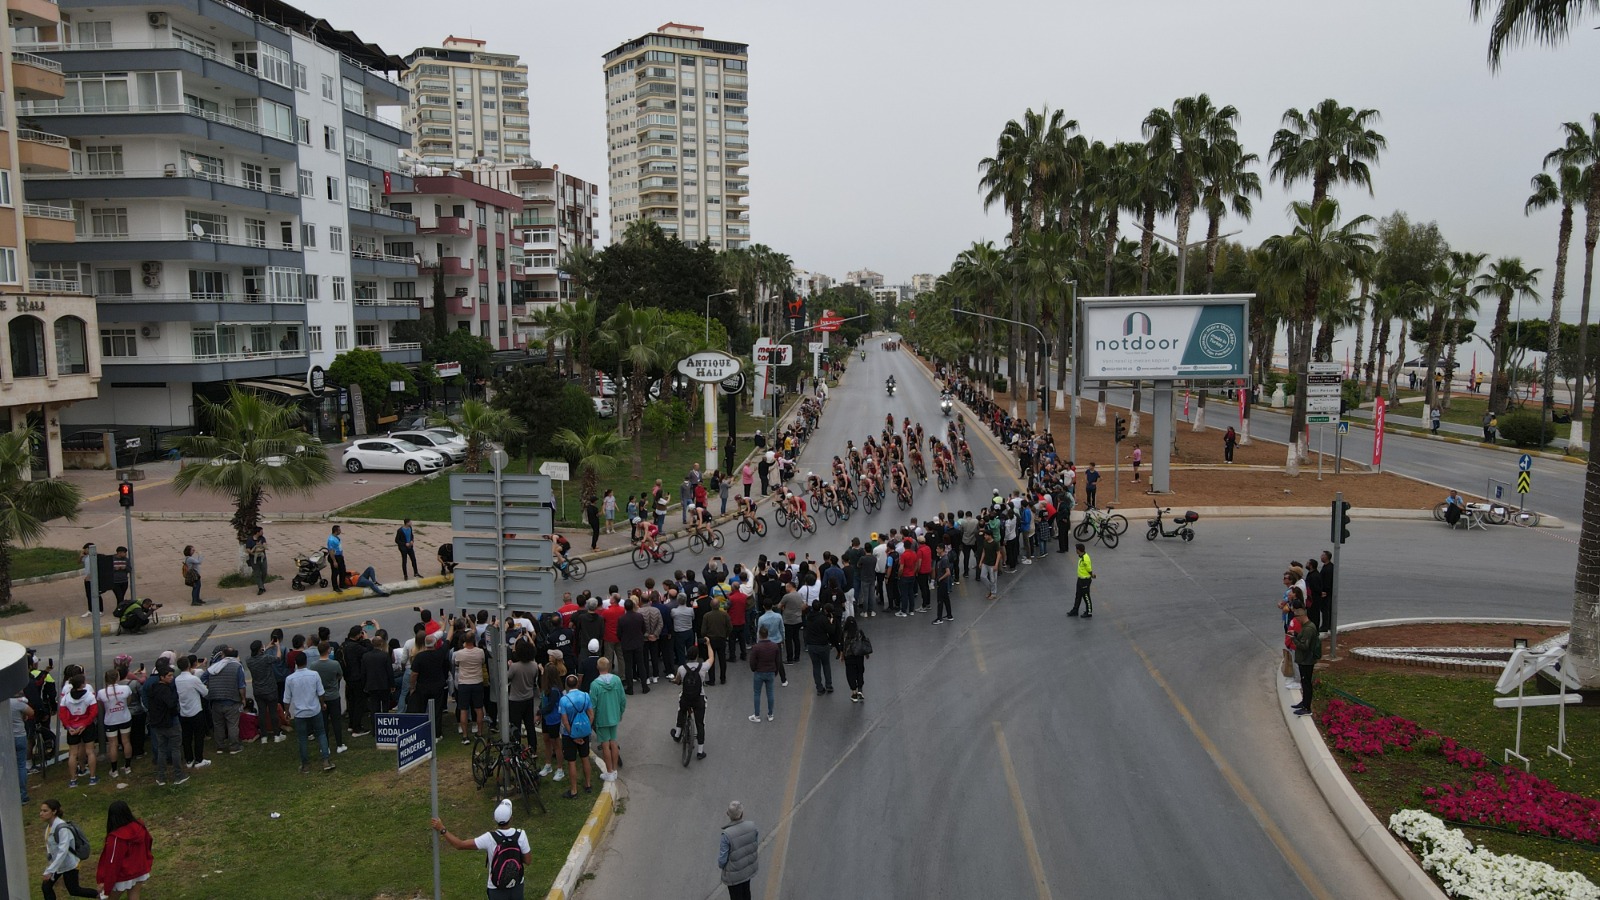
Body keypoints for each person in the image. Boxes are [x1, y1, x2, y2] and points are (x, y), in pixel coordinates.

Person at [432, 799, 532, 900]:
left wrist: (442, 829)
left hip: (496, 888)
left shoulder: (489, 838)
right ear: (511, 818)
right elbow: (528, 861)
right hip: (517, 886)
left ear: (495, 819)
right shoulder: (520, 835)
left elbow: (460, 845)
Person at [280, 653, 334, 774]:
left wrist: (287, 711)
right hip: (314, 709)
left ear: (295, 663)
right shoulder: (314, 675)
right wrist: (322, 703)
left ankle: (305, 765)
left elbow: (286, 699)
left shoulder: (290, 679)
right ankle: (326, 761)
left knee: (302, 738)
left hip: (300, 713)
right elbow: (321, 693)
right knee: (321, 733)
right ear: (306, 662)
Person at [40, 798, 99, 899]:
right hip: (58, 863)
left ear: (54, 811)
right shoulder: (49, 826)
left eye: (45, 811)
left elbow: (63, 851)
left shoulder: (62, 828)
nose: (41, 813)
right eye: (41, 810)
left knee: (74, 890)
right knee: (46, 886)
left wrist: (50, 870)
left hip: (70, 863)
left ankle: (100, 895)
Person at [95, 801, 153, 900]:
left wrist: (106, 885)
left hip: (123, 875)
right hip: (140, 869)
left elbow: (112, 863)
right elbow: (148, 842)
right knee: (134, 895)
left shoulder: (116, 838)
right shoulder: (139, 827)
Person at [672, 639, 711, 760]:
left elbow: (678, 681)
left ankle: (678, 733)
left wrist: (675, 681)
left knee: (681, 710)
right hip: (699, 699)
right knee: (700, 723)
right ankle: (700, 751)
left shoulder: (681, 668)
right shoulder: (703, 667)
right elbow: (711, 657)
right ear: (697, 656)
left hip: (686, 698)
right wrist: (708, 644)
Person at [57, 674, 98, 788]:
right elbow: (93, 712)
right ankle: (92, 777)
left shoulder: (66, 697)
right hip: (87, 726)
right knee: (90, 751)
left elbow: (62, 714)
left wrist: (68, 726)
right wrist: (84, 725)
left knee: (73, 754)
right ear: (82, 684)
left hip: (72, 727)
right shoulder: (89, 696)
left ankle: (73, 780)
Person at [145, 663, 182, 785]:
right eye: (169, 676)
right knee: (175, 748)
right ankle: (178, 775)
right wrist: (175, 710)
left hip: (157, 723)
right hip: (169, 722)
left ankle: (161, 776)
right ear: (162, 677)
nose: (171, 678)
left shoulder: (153, 688)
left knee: (162, 749)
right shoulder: (165, 690)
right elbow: (171, 705)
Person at [589, 656, 626, 781]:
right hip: (614, 716)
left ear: (597, 668)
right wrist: (620, 712)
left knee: (605, 745)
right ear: (609, 666)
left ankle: (609, 771)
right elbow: (622, 699)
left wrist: (591, 719)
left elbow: (592, 705)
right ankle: (614, 770)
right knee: (613, 742)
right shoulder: (616, 680)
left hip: (602, 718)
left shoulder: (594, 684)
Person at [557, 674, 594, 798]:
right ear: (577, 684)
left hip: (569, 735)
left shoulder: (564, 700)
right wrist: (586, 728)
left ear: (567, 685)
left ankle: (574, 791)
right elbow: (591, 715)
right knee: (585, 758)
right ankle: (588, 784)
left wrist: (573, 735)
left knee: (571, 762)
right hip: (584, 732)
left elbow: (565, 721)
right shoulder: (585, 696)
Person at [718, 801, 760, 900]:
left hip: (734, 875)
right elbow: (754, 845)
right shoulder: (752, 826)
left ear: (728, 814)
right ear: (742, 813)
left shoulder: (726, 835)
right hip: (747, 869)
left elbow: (722, 860)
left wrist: (723, 867)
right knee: (746, 892)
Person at [174, 656, 209, 770]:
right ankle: (199, 759)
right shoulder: (193, 679)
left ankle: (189, 759)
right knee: (199, 736)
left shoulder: (177, 680)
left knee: (186, 737)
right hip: (196, 711)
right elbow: (205, 692)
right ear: (189, 665)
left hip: (184, 712)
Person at [454, 630, 488, 743]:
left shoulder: (460, 653)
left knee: (463, 709)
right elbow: (482, 662)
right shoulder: (480, 652)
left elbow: (457, 663)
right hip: (477, 682)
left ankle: (465, 735)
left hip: (464, 683)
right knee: (479, 708)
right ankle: (479, 733)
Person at [1289, 600, 1319, 716]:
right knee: (1304, 682)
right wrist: (1296, 635)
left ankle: (1307, 708)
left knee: (1306, 683)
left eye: (1297, 617)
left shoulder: (1308, 629)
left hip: (1306, 660)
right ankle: (1304, 702)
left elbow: (1304, 646)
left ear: (1302, 616)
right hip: (1304, 659)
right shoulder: (1306, 627)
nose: (1296, 620)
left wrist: (1293, 639)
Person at [748, 624, 784, 723]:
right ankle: (770, 714)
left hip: (759, 672)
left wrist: (754, 669)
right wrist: (775, 671)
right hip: (770, 672)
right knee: (770, 693)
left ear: (759, 635)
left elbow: (752, 661)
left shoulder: (756, 647)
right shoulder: (774, 646)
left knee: (757, 693)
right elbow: (778, 661)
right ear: (768, 634)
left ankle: (757, 715)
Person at [840, 617, 871, 703]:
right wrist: (866, 654)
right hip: (859, 656)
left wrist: (842, 655)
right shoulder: (859, 632)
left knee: (850, 674)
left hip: (849, 656)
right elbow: (864, 643)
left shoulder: (844, 633)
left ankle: (854, 692)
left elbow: (842, 645)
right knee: (860, 671)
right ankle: (860, 689)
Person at [10, 690, 31, 803]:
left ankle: (9, 793)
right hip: (19, 736)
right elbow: (31, 712)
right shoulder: (18, 703)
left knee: (7, 767)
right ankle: (22, 794)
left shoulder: (3, 703)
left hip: (5, 737)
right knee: (21, 765)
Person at [1069, 542, 1094, 618]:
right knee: (1078, 595)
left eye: (1076, 549)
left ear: (1079, 550)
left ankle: (1089, 611)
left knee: (1086, 596)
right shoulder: (1081, 556)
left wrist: (1092, 575)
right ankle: (1075, 610)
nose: (1075, 551)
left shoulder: (1085, 559)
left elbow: (1089, 569)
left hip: (1084, 580)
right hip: (1080, 579)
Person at [244, 527, 268, 594]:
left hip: (262, 558)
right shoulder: (250, 540)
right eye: (261, 531)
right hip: (254, 559)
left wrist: (263, 547)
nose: (262, 532)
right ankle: (261, 587)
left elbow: (264, 545)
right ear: (257, 532)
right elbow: (248, 549)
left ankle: (262, 584)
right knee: (257, 573)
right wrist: (253, 553)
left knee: (264, 572)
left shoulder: (262, 538)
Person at [326, 525, 348, 593]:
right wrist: (334, 561)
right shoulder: (331, 540)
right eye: (339, 530)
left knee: (342, 570)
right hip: (335, 557)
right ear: (336, 531)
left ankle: (342, 584)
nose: (340, 531)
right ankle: (335, 587)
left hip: (339, 556)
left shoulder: (337, 537)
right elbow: (331, 551)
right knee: (335, 572)